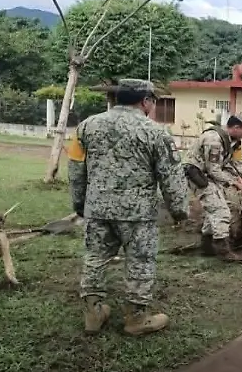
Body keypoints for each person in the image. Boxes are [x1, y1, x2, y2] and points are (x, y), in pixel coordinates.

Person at [66, 79, 189, 336]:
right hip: (138, 214)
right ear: (145, 101)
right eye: (153, 102)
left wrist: (80, 204)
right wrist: (179, 210)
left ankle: (93, 314)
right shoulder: (155, 132)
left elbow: (76, 169)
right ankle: (136, 318)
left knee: (95, 259)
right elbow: (171, 176)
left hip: (97, 209)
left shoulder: (86, 126)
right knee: (140, 262)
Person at [183, 113, 242, 262]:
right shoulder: (214, 140)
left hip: (209, 175)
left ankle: (207, 247)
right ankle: (224, 252)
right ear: (237, 127)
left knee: (216, 208)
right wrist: (234, 183)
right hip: (197, 175)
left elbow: (238, 163)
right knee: (220, 211)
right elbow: (214, 169)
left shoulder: (234, 142)